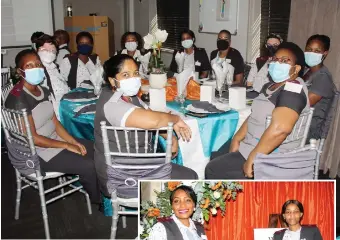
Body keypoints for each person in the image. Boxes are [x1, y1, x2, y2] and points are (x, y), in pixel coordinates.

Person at [94, 54, 198, 198]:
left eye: (135, 73)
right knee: (189, 176)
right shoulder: (112, 104)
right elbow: (153, 122)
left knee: (187, 174)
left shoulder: (131, 97)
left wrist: (168, 136)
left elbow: (151, 115)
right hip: (122, 176)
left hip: (139, 165)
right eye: (126, 75)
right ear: (112, 80)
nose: (133, 78)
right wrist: (175, 119)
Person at [5, 49, 100, 203]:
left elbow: (54, 122)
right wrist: (66, 146)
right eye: (29, 66)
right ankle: (100, 201)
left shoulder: (42, 90)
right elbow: (33, 139)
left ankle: (101, 188)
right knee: (88, 165)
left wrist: (73, 142)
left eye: (37, 64)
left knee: (97, 149)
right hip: (38, 152)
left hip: (53, 140)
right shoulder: (18, 98)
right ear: (19, 71)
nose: (35, 68)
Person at [205, 42, 310, 179]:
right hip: (252, 142)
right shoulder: (271, 85)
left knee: (212, 169)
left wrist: (253, 158)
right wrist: (237, 138)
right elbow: (255, 114)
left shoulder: (293, 89)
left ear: (296, 69)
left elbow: (281, 129)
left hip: (269, 153)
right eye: (276, 59)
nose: (278, 63)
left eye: (285, 60)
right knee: (216, 153)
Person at [303, 34, 336, 140]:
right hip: (298, 124)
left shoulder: (323, 77)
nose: (311, 53)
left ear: (324, 53)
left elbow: (304, 103)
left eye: (317, 51)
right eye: (309, 49)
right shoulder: (306, 71)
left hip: (306, 132)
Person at [35, 34, 70, 119]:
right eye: (45, 50)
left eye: (52, 51)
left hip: (64, 105)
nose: (49, 53)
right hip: (52, 113)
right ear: (37, 51)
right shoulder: (38, 71)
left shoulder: (55, 68)